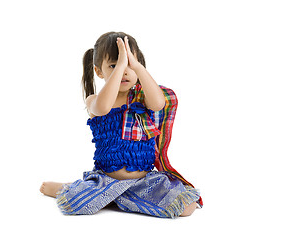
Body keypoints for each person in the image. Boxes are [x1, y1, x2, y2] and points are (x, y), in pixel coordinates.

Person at [40, 31, 203, 218]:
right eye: (114, 65)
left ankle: (115, 198)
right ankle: (69, 188)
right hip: (105, 179)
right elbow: (102, 107)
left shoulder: (143, 99)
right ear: (99, 71)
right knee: (79, 203)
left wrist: (138, 67)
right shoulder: (95, 100)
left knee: (186, 207)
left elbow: (159, 104)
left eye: (129, 65)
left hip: (143, 182)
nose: (124, 71)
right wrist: (121, 65)